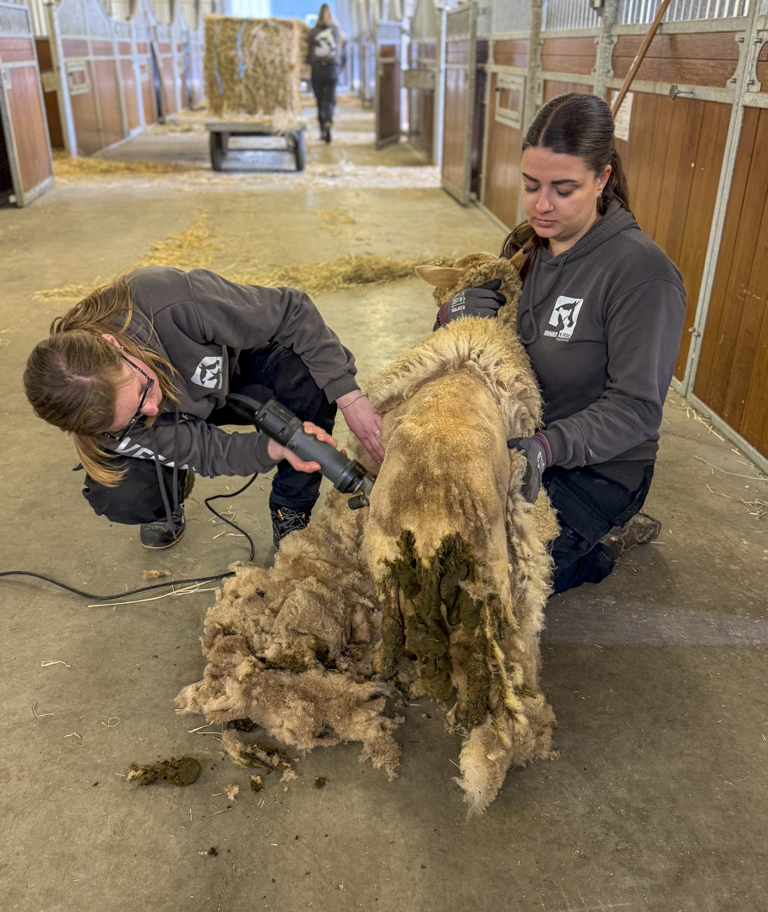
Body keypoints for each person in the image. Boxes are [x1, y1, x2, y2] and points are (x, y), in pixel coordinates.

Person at [437, 92, 686, 595]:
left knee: (486, 585)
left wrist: (548, 447)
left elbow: (637, 408)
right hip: (515, 441)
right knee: (422, 546)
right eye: (530, 185)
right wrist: (451, 316)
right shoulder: (525, 246)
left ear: (602, 178)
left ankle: (604, 544)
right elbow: (487, 346)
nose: (541, 205)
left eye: (564, 189)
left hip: (595, 468)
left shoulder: (642, 274)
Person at [24, 266, 384, 551]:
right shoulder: (107, 422)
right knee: (124, 493)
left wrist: (347, 395)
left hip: (230, 373)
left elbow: (292, 311)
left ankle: (290, 507)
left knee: (306, 372)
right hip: (183, 410)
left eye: (141, 389)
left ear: (113, 345)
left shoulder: (169, 300)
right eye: (133, 417)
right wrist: (272, 449)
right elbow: (207, 450)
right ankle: (170, 485)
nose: (151, 408)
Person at [306, 4, 346, 144]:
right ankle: (329, 120)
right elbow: (342, 50)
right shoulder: (337, 30)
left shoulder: (313, 32)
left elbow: (308, 51)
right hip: (332, 68)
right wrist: (340, 66)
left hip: (317, 68)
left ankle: (322, 128)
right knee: (330, 98)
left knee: (320, 99)